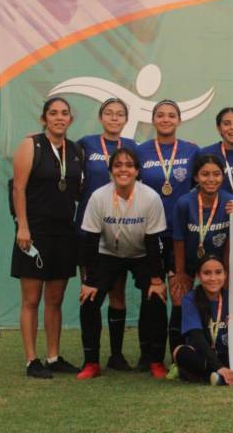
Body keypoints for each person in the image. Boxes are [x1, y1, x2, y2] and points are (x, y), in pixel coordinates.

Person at [77, 148, 168, 379]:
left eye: (129, 165)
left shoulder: (150, 197)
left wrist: (156, 280)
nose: (123, 169)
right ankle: (91, 362)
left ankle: (154, 360)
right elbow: (90, 241)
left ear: (137, 171)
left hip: (142, 254)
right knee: (89, 300)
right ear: (110, 171)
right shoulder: (99, 196)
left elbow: (152, 241)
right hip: (107, 253)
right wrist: (89, 281)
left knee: (156, 297)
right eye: (118, 165)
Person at [11, 97, 83, 378]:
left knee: (55, 298)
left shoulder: (76, 150)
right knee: (31, 298)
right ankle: (32, 360)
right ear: (44, 119)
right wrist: (23, 227)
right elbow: (18, 189)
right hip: (34, 232)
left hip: (64, 232)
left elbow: (77, 191)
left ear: (70, 120)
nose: (59, 118)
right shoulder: (31, 145)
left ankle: (53, 357)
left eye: (64, 113)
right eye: (53, 113)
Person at [136, 100, 199, 370]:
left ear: (179, 120)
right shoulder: (139, 151)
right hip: (149, 232)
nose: (165, 119)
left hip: (179, 234)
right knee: (150, 295)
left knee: (178, 295)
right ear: (153, 120)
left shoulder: (192, 150)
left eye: (171, 115)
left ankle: (177, 356)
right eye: (160, 115)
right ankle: (148, 356)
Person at [75, 98, 137, 370]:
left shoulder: (133, 147)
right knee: (90, 293)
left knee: (117, 292)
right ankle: (91, 359)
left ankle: (116, 355)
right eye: (109, 114)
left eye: (119, 114)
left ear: (126, 119)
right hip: (89, 229)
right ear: (101, 117)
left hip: (119, 231)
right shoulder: (85, 144)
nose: (114, 118)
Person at [170, 154, 233, 376]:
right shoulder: (184, 203)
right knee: (180, 301)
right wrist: (180, 273)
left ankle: (211, 354)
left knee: (216, 305)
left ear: (223, 176)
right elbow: (178, 238)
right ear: (196, 177)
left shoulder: (229, 202)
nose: (211, 179)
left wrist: (226, 271)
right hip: (186, 261)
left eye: (216, 174)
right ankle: (176, 357)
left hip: (214, 265)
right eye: (205, 174)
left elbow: (229, 238)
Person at [174, 255, 233, 386]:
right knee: (180, 352)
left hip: (228, 355)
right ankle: (219, 374)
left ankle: (215, 377)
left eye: (218, 272)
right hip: (204, 356)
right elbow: (196, 337)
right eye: (207, 273)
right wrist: (218, 366)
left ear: (225, 274)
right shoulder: (190, 299)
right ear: (198, 276)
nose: (213, 278)